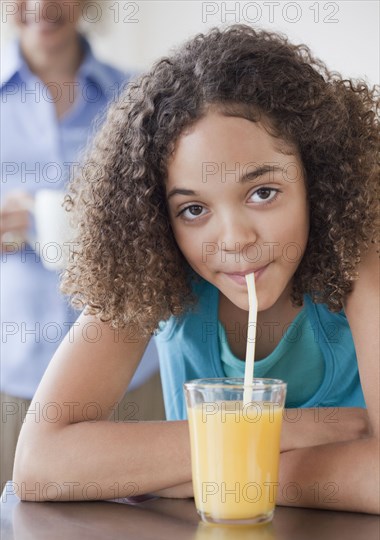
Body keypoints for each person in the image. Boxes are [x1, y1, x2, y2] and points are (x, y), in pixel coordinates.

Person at [13, 25, 379, 513]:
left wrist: (207, 474)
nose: (234, 240)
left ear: (317, 177)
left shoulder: (361, 257)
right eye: (193, 210)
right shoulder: (157, 267)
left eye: (262, 193)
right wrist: (298, 432)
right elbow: (40, 465)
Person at [1, 0, 163, 492]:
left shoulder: (142, 98)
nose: (41, 5)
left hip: (132, 369)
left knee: (140, 525)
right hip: (14, 368)